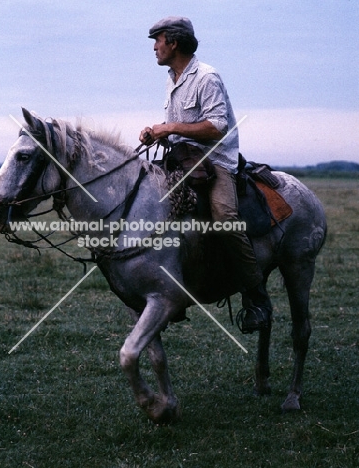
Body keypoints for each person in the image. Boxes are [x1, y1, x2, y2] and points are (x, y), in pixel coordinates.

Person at [140, 16, 271, 333]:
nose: (154, 47)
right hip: (182, 159)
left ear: (173, 42)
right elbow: (180, 131)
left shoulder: (207, 77)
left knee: (224, 218)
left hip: (216, 162)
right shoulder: (173, 78)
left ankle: (256, 298)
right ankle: (173, 292)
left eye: (157, 40)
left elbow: (217, 127)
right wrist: (158, 135)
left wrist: (170, 127)